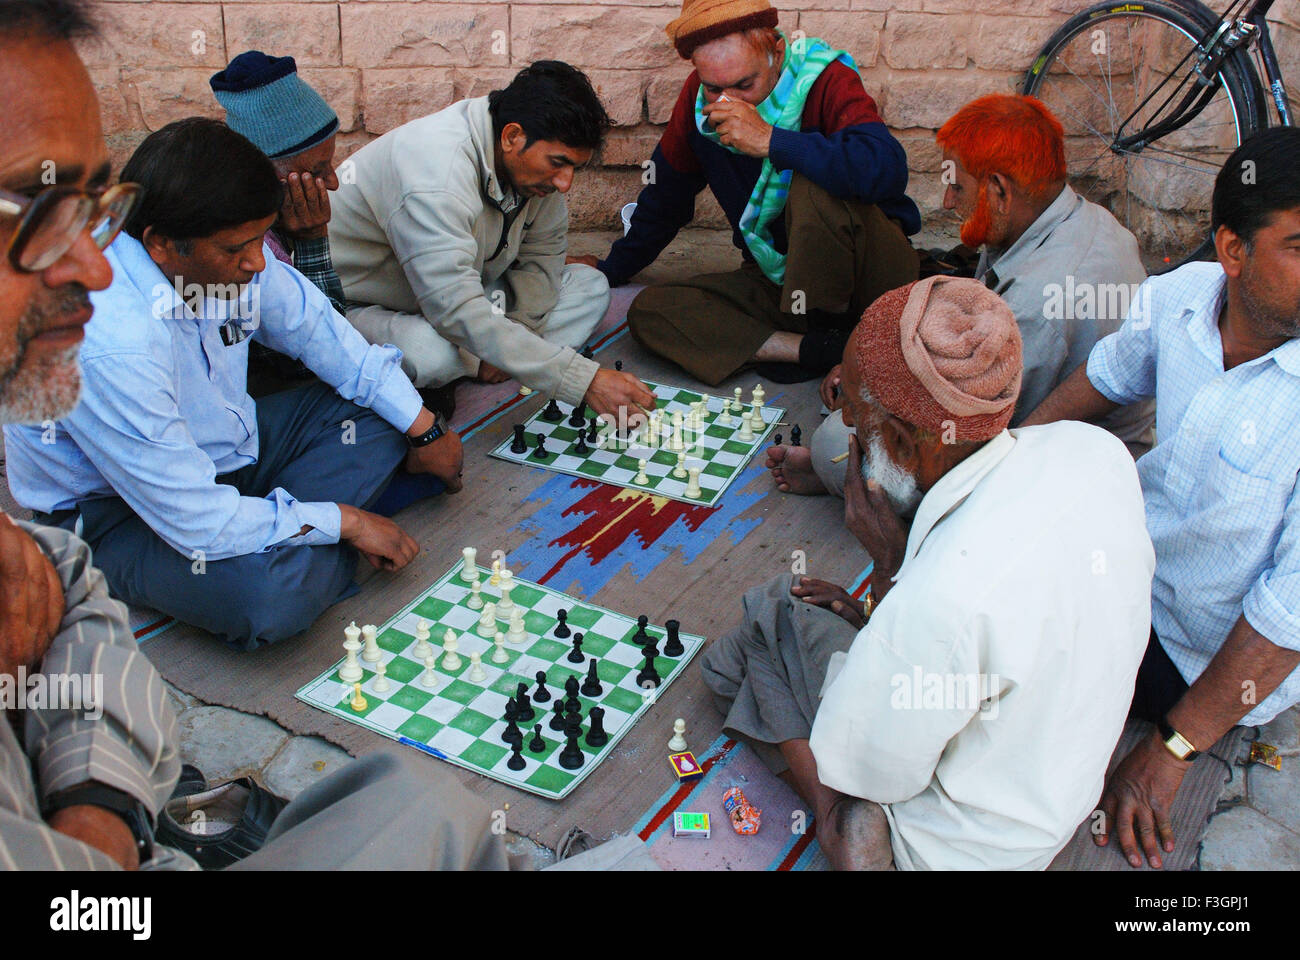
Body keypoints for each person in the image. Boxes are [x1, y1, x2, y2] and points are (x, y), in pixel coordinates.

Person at [703, 276, 1155, 869]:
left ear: (900, 443)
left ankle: (835, 827)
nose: (850, 439)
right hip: (1054, 806)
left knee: (766, 619)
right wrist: (885, 615)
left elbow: (874, 771)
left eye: (857, 427)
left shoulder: (942, 601)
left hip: (947, 850)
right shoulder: (1095, 452)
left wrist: (889, 570)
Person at [3, 116, 466, 651]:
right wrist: (344, 521)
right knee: (269, 598)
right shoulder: (108, 340)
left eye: (257, 241)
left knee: (382, 416)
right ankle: (301, 537)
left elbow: (328, 338)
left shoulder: (234, 256)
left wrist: (426, 431)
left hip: (229, 453)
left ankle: (283, 531)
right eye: (235, 250)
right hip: (119, 512)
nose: (256, 263)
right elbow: (195, 519)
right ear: (160, 245)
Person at [1022, 127, 1300, 870]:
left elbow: (1285, 617)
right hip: (1122, 570)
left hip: (1197, 653)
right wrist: (1002, 469)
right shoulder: (1178, 298)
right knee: (966, 581)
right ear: (1233, 252)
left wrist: (1172, 750)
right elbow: (1104, 379)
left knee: (1003, 686)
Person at [772, 94, 1156, 499]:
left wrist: (869, 393)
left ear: (999, 191)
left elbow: (973, 435)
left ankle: (854, 485)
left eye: (957, 187)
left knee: (835, 439)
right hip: (1057, 427)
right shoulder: (1069, 216)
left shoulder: (1036, 303)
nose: (947, 202)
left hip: (1072, 475)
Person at [578, 0, 920, 386]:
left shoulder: (824, 80)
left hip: (867, 277)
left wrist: (773, 140)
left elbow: (886, 170)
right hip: (782, 283)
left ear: (776, 54)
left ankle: (866, 330)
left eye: (745, 85)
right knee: (652, 311)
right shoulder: (698, 102)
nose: (728, 103)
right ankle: (820, 350)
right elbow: (665, 197)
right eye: (714, 88)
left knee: (810, 183)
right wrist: (611, 269)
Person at [330, 61, 654, 422]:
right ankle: (462, 364)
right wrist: (580, 379)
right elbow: (452, 307)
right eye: (559, 163)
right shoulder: (436, 174)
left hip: (463, 295)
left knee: (590, 286)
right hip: (370, 307)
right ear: (511, 136)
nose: (565, 183)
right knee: (427, 352)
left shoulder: (534, 172)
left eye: (574, 168)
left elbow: (542, 262)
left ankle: (471, 363)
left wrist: (518, 333)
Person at [211, 50, 344, 312]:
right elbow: (325, 337)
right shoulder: (251, 248)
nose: (333, 183)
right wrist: (311, 239)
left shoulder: (274, 221)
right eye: (317, 171)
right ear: (265, 175)